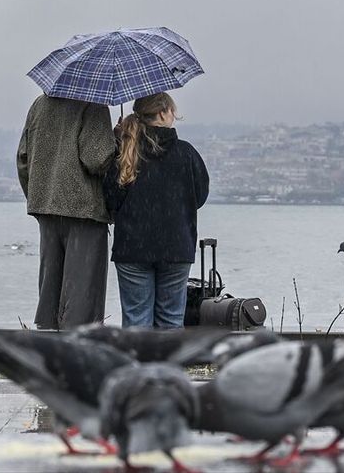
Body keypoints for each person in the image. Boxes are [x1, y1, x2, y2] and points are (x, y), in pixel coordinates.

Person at [103, 92, 209, 328]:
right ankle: (168, 364)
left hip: (132, 248)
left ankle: (137, 364)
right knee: (171, 321)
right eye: (172, 110)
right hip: (176, 247)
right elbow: (200, 197)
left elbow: (110, 199)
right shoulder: (186, 153)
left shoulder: (125, 153)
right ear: (163, 113)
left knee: (136, 321)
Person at [16, 94, 115, 330]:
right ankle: (77, 350)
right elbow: (96, 159)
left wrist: (39, 196)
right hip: (84, 210)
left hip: (46, 206)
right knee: (82, 291)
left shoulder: (39, 104)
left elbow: (23, 158)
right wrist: (116, 141)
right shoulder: (93, 103)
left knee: (50, 288)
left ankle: (48, 344)